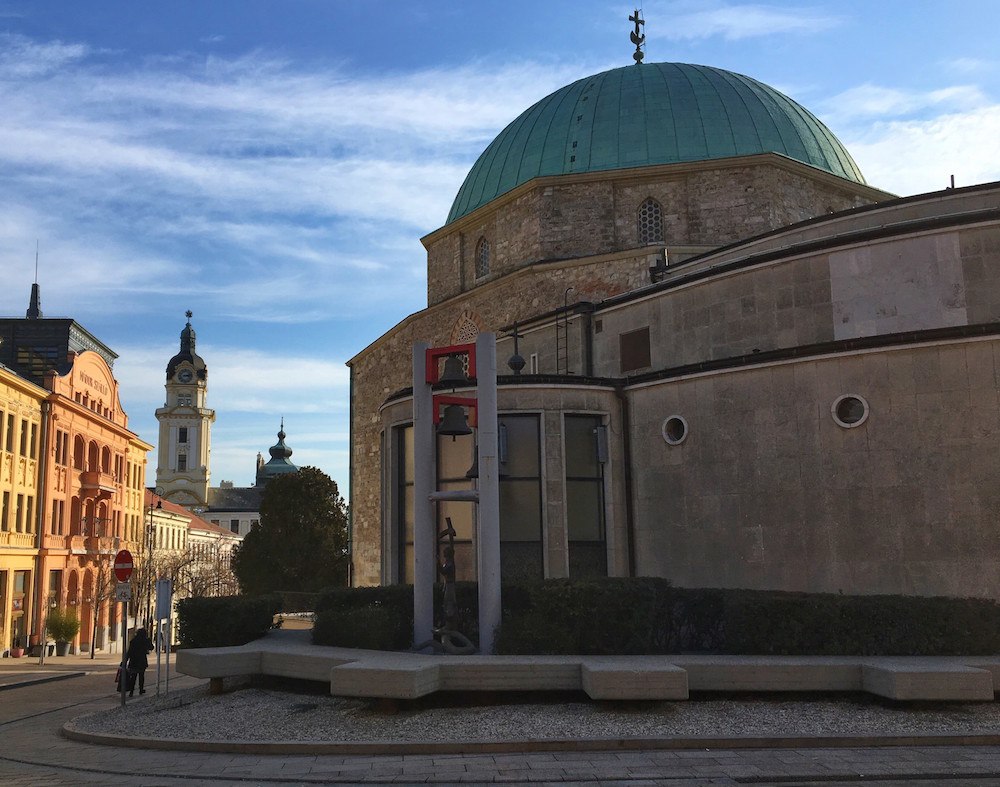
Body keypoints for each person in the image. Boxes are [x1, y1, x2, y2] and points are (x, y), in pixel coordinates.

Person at [125, 628, 154, 696]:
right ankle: (141, 690)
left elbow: (129, 651)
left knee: (133, 677)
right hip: (142, 661)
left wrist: (125, 660)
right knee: (141, 676)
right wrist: (149, 641)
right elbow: (151, 647)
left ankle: (131, 691)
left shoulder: (133, 641)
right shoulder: (145, 641)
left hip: (134, 661)